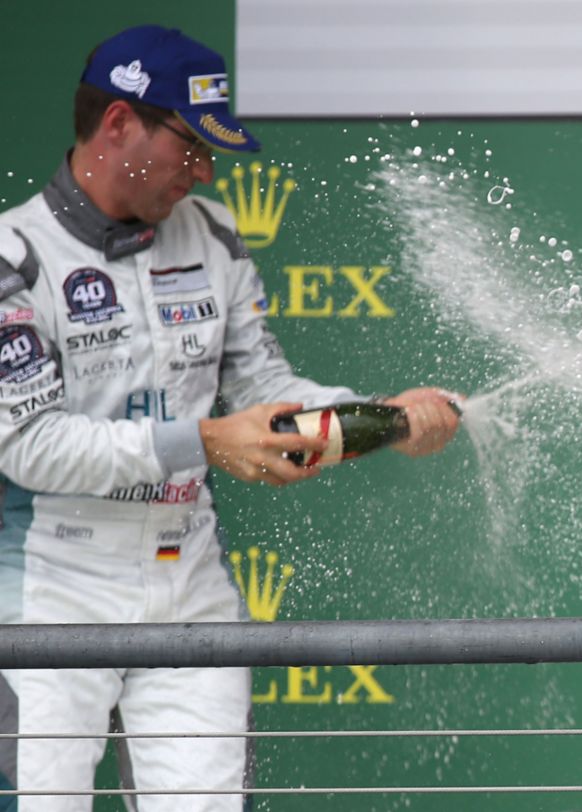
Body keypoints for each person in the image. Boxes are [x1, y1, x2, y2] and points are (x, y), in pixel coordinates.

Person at [0, 26, 461, 811]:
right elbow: (29, 446)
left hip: (190, 584)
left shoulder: (212, 232)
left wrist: (381, 418)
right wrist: (206, 440)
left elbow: (266, 389)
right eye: (190, 148)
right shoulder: (16, 256)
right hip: (46, 591)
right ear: (118, 124)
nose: (205, 172)